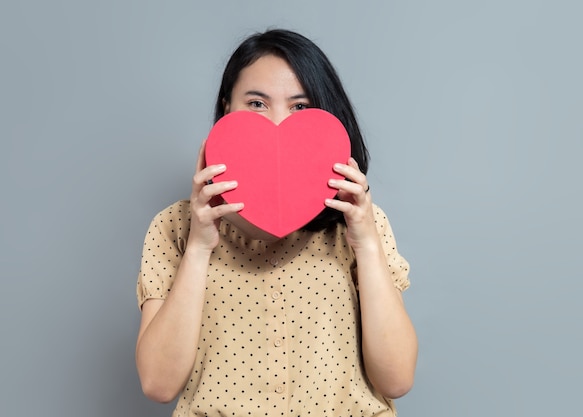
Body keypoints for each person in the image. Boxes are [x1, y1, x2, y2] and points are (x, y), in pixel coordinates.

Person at [135, 29, 418, 416]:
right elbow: (158, 384)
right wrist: (200, 246)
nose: (278, 125)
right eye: (256, 103)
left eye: (300, 107)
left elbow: (397, 379)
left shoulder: (361, 225)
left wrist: (366, 243)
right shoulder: (174, 227)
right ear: (225, 110)